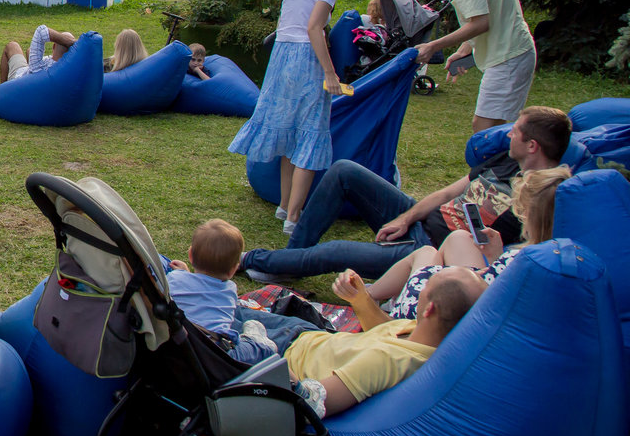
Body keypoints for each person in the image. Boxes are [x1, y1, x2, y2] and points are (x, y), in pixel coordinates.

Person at [240, 105, 571, 282]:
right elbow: (447, 192)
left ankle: (247, 259)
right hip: (422, 221)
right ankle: (293, 260)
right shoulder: (504, 159)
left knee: (336, 251)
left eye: (516, 131)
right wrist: (406, 216)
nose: (508, 134)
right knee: (344, 170)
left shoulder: (542, 195)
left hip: (429, 252)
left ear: (532, 145)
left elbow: (517, 257)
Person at [229, 0, 362, 233]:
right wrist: (330, 73)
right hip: (307, 58)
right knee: (310, 134)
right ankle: (294, 218)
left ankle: (284, 206)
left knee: (289, 137)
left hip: (281, 57)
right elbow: (314, 27)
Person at [368, 165, 570, 320]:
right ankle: (387, 297)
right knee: (459, 238)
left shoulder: (523, 259)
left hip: (446, 315)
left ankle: (374, 299)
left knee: (425, 253)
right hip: (475, 301)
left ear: (527, 214)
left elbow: (491, 298)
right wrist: (495, 258)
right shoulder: (555, 253)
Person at [392, 0, 536, 131]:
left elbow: (481, 23)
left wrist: (433, 46)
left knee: (485, 127)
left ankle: (508, 165)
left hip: (509, 54)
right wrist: (465, 49)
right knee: (494, 128)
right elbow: (480, 17)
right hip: (509, 53)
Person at [287, 266, 484, 418]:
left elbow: (313, 401)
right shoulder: (427, 335)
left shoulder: (389, 360)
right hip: (309, 336)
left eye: (425, 287)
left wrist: (269, 357)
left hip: (288, 352)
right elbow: (384, 331)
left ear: (429, 309)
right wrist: (360, 299)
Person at [165, 220, 277, 363]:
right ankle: (256, 342)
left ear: (190, 255)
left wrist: (183, 274)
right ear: (234, 269)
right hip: (217, 354)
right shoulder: (229, 289)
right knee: (264, 351)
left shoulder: (174, 278)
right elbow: (205, 292)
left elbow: (194, 291)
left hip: (178, 347)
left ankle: (254, 340)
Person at [0, 24, 77, 83]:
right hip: (37, 77)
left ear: (54, 46)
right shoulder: (70, 69)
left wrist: (72, 42)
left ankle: (2, 90)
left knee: (12, 46)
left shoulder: (39, 66)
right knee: (29, 50)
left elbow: (41, 31)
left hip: (21, 80)